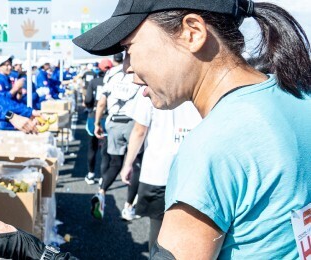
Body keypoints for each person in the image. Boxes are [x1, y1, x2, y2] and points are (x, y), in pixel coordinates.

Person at [74, 0, 311, 258]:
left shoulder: (213, 145)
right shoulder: (299, 96)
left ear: (193, 33)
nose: (126, 67)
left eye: (129, 48)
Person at [117, 84, 202, 249]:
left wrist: (128, 164)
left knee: (158, 231)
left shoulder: (151, 87)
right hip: (195, 170)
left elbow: (139, 130)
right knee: (193, 233)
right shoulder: (198, 82)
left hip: (159, 170)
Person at [91, 52, 143, 221]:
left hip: (113, 122)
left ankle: (101, 192)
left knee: (115, 163)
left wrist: (97, 123)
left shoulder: (111, 75)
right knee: (135, 165)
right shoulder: (140, 71)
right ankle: (128, 207)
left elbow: (101, 102)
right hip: (134, 123)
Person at [81, 61, 111, 185]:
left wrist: (89, 106)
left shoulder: (93, 82)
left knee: (92, 148)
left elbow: (88, 99)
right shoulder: (113, 82)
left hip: (93, 116)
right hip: (108, 117)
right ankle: (104, 177)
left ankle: (91, 174)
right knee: (105, 150)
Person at [0, 55, 25, 130]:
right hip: (1, 122)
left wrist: (19, 92)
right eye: (6, 65)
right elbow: (2, 99)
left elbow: (15, 99)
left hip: (11, 119)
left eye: (10, 65)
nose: (9, 67)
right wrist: (15, 88)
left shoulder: (9, 79)